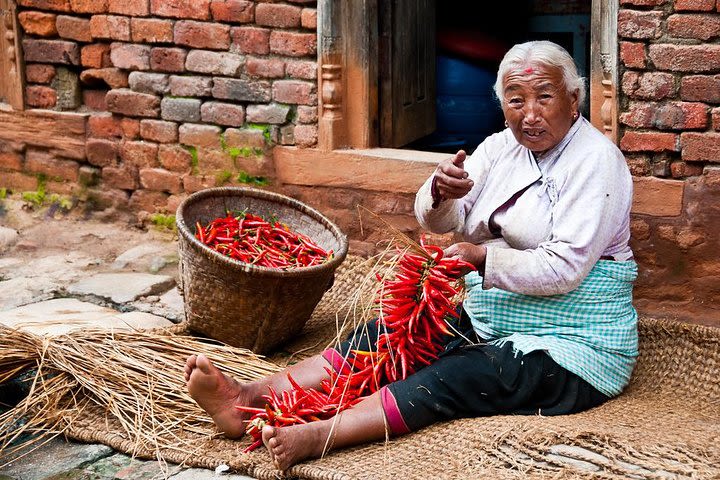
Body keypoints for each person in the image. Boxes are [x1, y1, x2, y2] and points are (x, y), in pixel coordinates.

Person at [184, 40, 638, 471]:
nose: (530, 114)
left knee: (458, 374)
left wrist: (481, 259)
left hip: (573, 345)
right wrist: (441, 191)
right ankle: (249, 399)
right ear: (503, 106)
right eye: (516, 100)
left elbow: (565, 268)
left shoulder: (596, 160)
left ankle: (321, 435)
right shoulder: (501, 148)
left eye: (545, 97)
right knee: (388, 336)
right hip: (497, 315)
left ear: (574, 100)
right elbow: (438, 220)